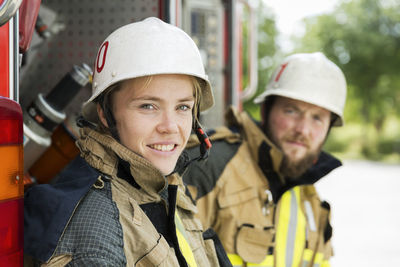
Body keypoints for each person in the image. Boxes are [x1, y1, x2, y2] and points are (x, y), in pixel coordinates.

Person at [24, 17, 231, 266]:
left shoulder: (164, 188)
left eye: (183, 107)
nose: (170, 126)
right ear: (105, 113)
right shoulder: (94, 232)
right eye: (148, 106)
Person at [183, 52, 347, 267]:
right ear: (266, 110)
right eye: (291, 111)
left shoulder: (310, 199)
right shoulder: (208, 165)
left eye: (317, 118)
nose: (303, 129)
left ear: (328, 129)